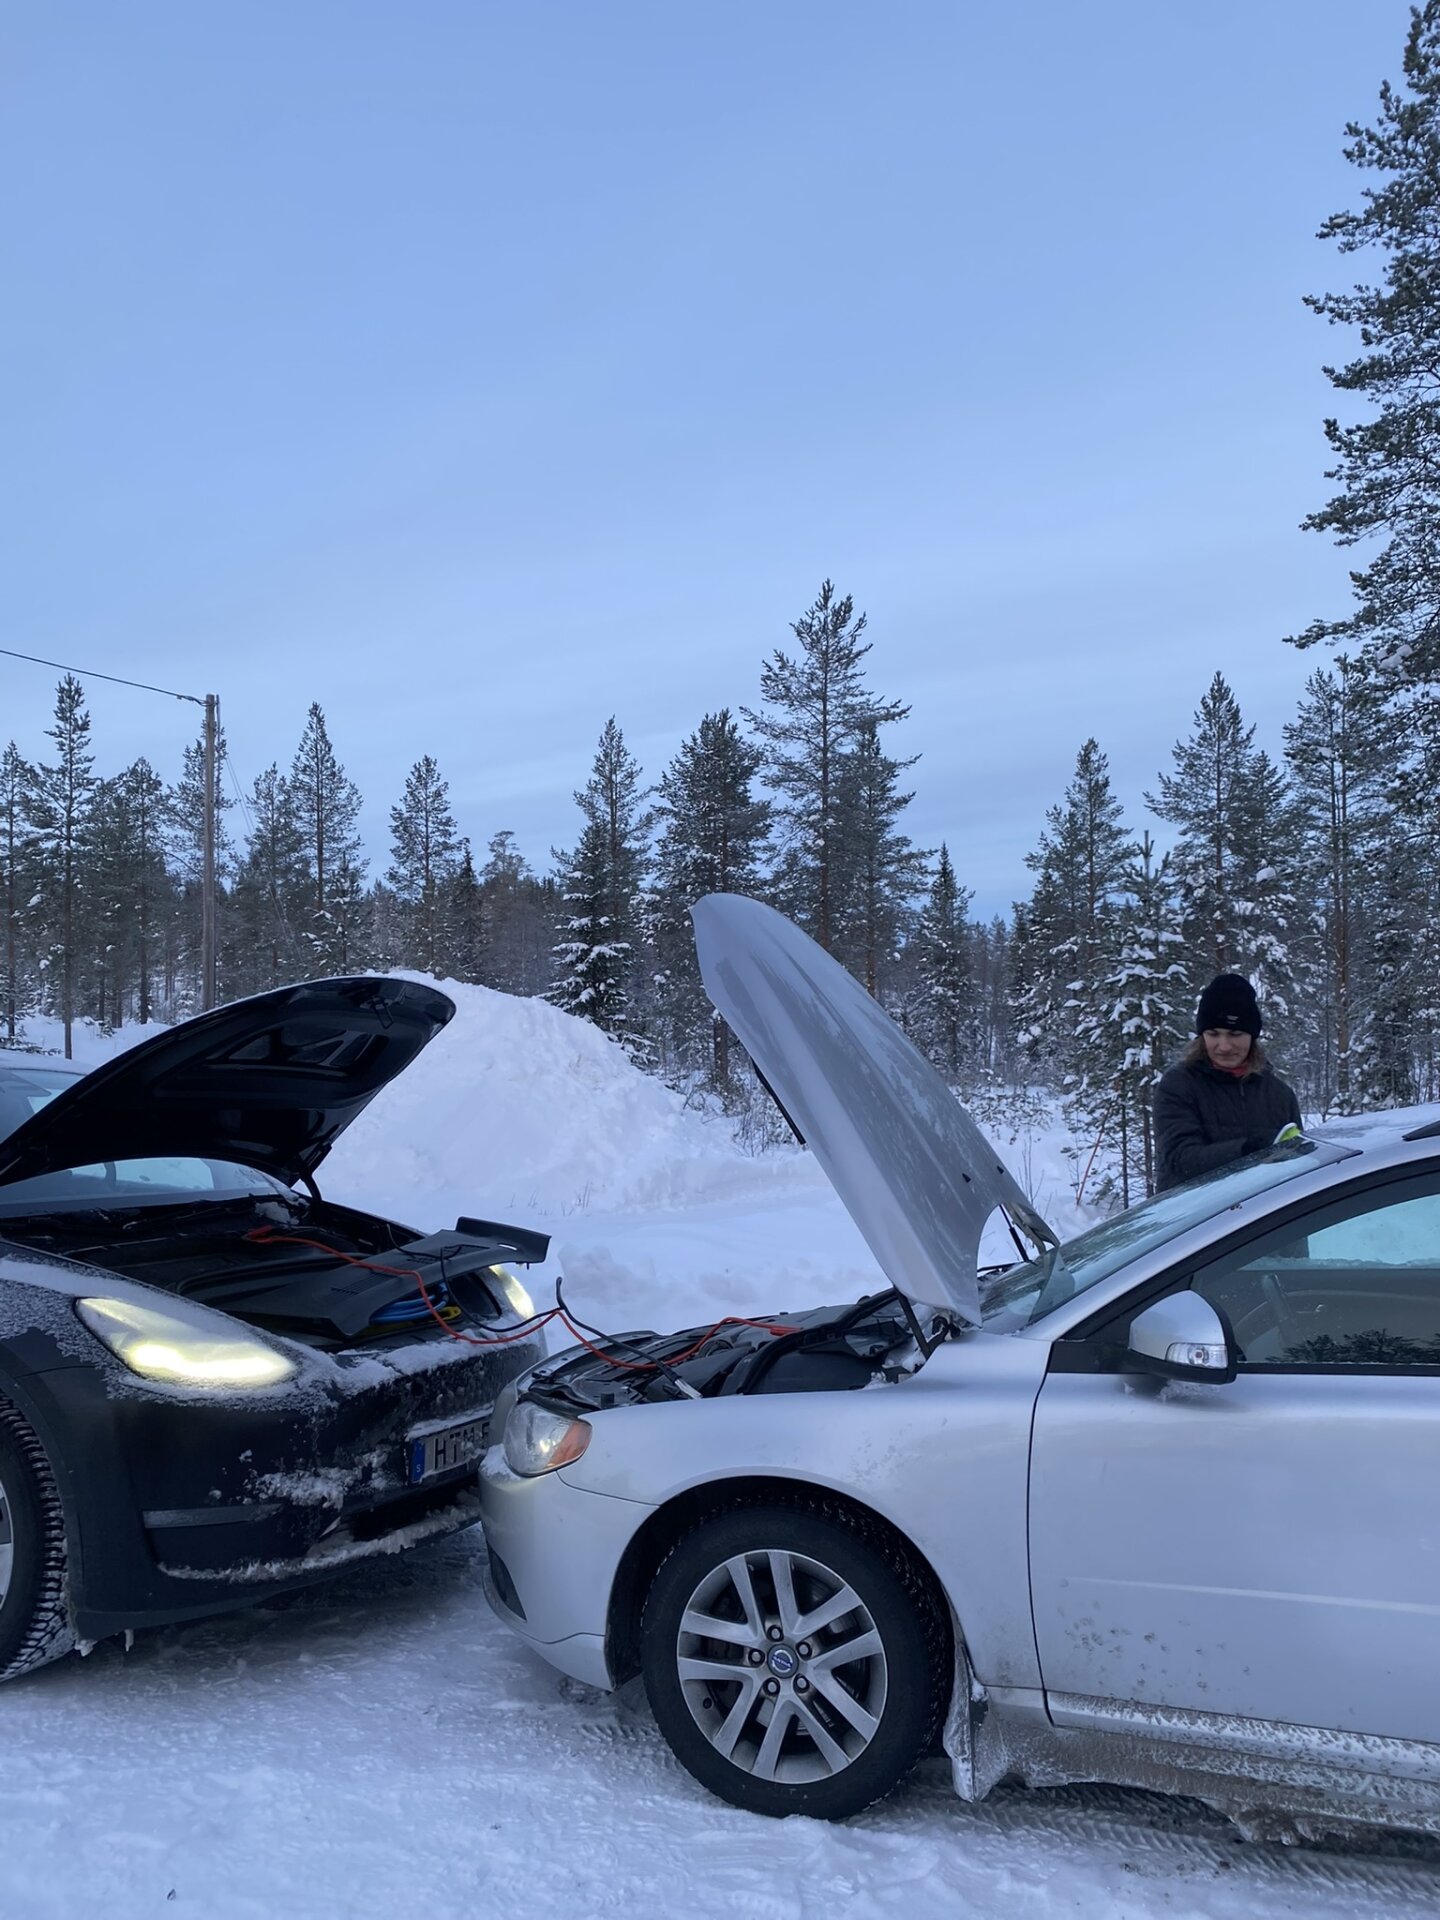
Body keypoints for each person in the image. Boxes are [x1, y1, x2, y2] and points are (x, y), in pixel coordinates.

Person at [1153, 973, 1302, 1192]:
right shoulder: (1178, 1085)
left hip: (1264, 1211)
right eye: (1213, 1034)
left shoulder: (1280, 1095)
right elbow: (1180, 1159)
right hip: (1196, 1210)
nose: (1224, 1046)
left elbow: (1296, 1170)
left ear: (1252, 1036)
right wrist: (1251, 1150)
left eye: (1235, 1033)